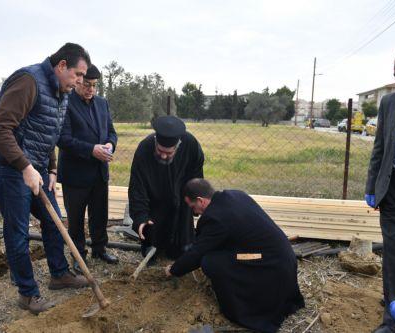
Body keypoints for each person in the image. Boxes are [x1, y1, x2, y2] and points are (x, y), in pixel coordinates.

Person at [0, 43, 91, 314]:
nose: (80, 82)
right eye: (78, 75)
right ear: (62, 65)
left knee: (54, 221)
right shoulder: (28, 81)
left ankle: (59, 274)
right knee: (18, 231)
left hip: (35, 166)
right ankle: (27, 293)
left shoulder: (61, 92)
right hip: (8, 167)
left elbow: (49, 134)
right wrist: (24, 166)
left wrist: (51, 169)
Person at [165, 178, 304, 333]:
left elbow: (198, 253)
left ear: (200, 200)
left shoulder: (215, 218)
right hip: (284, 259)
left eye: (192, 206)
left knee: (210, 262)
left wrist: (174, 270)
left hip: (272, 268)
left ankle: (243, 308)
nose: (194, 212)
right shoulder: (235, 195)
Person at [365, 46, 395, 333]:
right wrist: (372, 185)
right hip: (394, 188)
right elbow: (379, 147)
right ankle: (394, 321)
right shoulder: (390, 104)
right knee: (394, 257)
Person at [57, 64, 118, 272]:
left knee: (99, 214)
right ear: (78, 81)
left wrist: (110, 145)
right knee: (75, 219)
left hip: (99, 172)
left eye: (94, 85)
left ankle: (100, 249)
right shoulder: (65, 102)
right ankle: (78, 255)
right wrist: (91, 149)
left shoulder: (102, 103)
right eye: (87, 85)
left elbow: (111, 132)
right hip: (75, 173)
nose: (91, 89)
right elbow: (63, 139)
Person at [128, 115, 204, 260]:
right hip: (154, 197)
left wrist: (195, 200)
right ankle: (151, 246)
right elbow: (137, 187)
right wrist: (140, 217)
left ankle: (180, 245)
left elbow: (196, 176)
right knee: (151, 230)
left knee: (180, 251)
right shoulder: (144, 149)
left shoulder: (191, 144)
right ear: (156, 142)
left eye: (168, 153)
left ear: (178, 145)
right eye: (159, 151)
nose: (163, 156)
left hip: (182, 195)